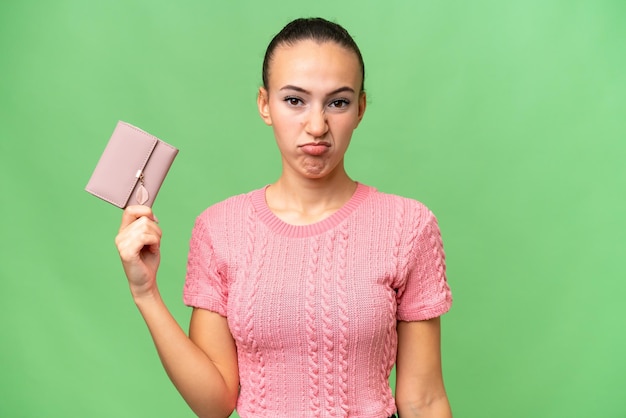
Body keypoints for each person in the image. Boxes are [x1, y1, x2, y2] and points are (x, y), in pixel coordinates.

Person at [115, 17, 453, 418]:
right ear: (265, 104)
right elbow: (215, 404)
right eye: (295, 100)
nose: (316, 126)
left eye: (338, 102)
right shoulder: (219, 229)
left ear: (360, 109)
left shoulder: (407, 227)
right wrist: (146, 293)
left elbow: (423, 399)